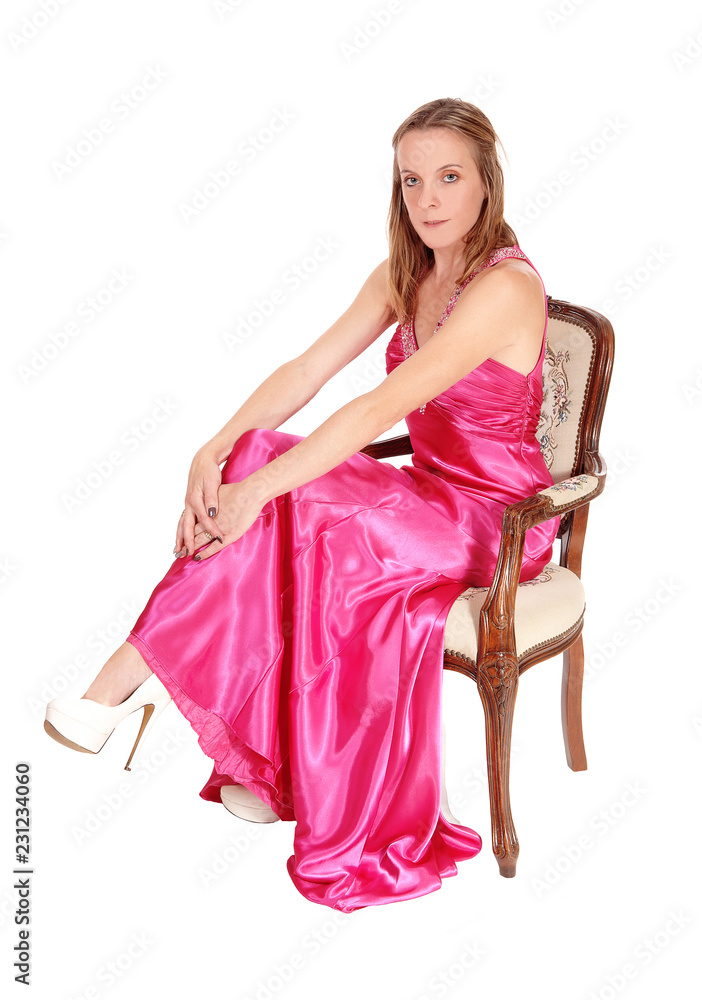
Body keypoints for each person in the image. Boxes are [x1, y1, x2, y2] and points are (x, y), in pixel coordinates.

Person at [43, 97, 559, 912]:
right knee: (259, 454)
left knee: (288, 499)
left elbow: (378, 408)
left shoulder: (506, 288)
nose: (428, 199)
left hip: (494, 524)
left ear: (487, 182)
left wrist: (254, 494)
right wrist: (214, 452)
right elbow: (308, 371)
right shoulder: (405, 273)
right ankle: (247, 751)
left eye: (449, 177)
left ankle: (127, 685)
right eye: (412, 180)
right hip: (426, 498)